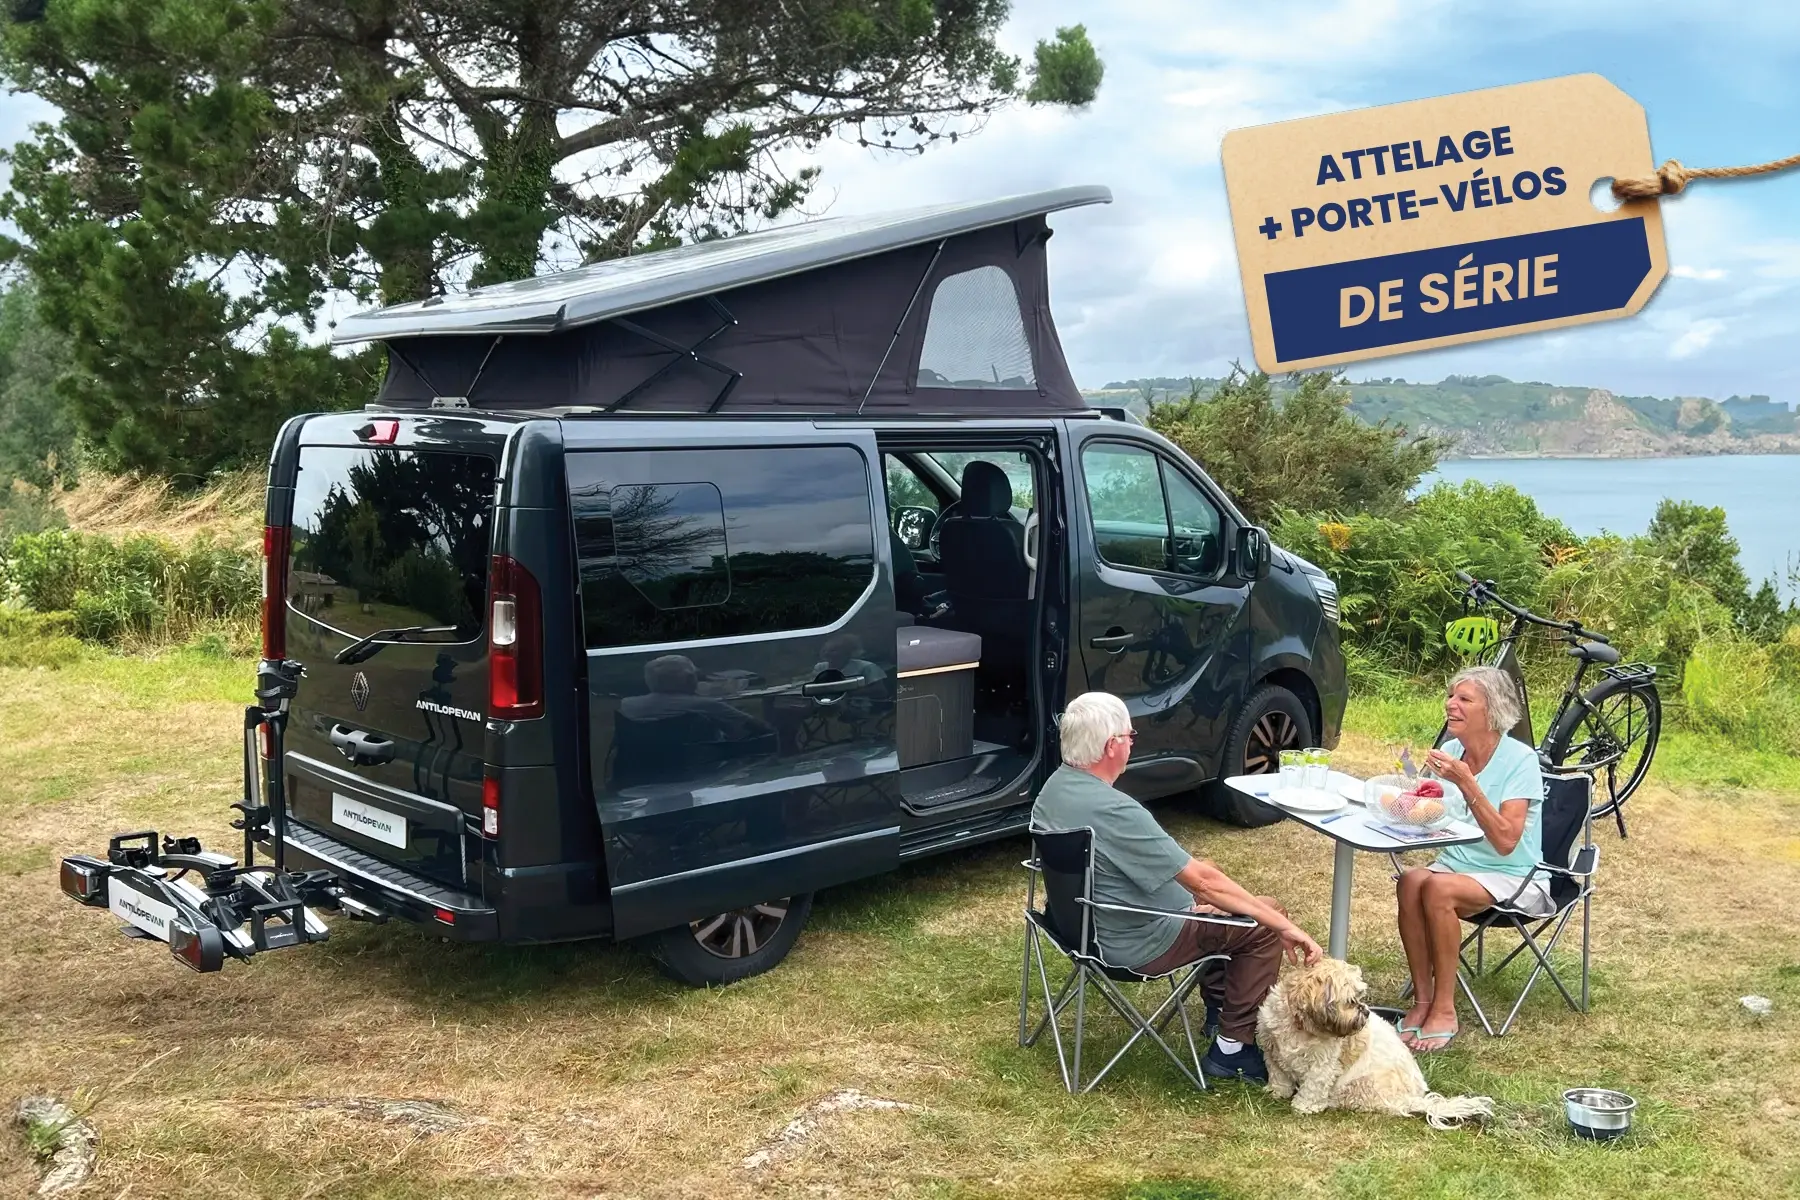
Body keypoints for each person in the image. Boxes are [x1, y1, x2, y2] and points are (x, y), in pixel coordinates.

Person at [1031, 691, 1323, 1084]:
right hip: (1133, 942)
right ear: (1112, 746)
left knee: (1228, 894)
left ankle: (1220, 1010)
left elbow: (1199, 876)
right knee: (1263, 923)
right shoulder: (1116, 810)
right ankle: (1232, 1049)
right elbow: (1203, 882)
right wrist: (1286, 927)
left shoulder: (1054, 789)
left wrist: (1203, 898)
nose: (1132, 743)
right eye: (1130, 736)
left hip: (1076, 928)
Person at [1395, 665, 1548, 1052]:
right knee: (1412, 881)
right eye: (1451, 695)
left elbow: (1505, 841)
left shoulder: (1520, 760)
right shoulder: (1450, 751)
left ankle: (1445, 1009)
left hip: (1511, 873)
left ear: (1491, 710)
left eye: (1464, 699)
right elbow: (1435, 813)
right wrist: (1411, 795)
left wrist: (1466, 780)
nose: (1451, 704)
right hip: (1456, 862)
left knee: (1437, 890)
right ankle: (1423, 1001)